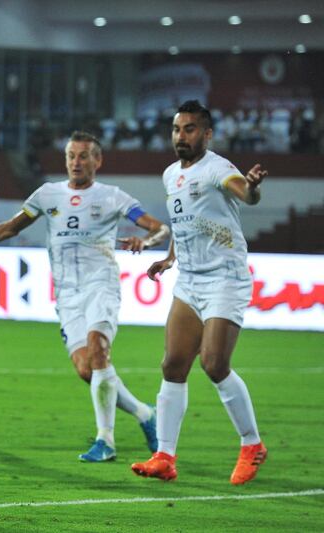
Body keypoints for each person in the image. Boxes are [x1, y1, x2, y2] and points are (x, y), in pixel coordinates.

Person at [0, 131, 170, 462]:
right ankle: (144, 414)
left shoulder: (112, 196)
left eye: (83, 156)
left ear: (97, 160)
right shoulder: (48, 194)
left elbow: (159, 228)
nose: (76, 162)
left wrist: (144, 242)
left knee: (99, 350)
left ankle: (106, 440)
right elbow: (10, 228)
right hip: (66, 294)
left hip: (100, 285)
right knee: (87, 370)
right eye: (71, 156)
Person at [131, 100, 268, 484]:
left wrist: (253, 189)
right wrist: (170, 258)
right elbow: (183, 222)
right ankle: (164, 456)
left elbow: (244, 192)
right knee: (173, 365)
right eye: (177, 129)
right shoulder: (171, 174)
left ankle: (251, 444)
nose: (181, 136)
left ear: (207, 134)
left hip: (225, 277)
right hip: (189, 280)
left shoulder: (218, 168)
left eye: (190, 129)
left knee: (213, 364)